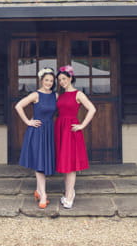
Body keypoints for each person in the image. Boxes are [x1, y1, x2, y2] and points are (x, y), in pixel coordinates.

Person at [55, 65, 97, 209]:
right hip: (60, 128)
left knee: (70, 164)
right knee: (64, 163)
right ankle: (69, 191)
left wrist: (82, 125)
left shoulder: (78, 94)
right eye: (59, 79)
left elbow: (92, 109)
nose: (61, 82)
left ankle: (69, 196)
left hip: (71, 130)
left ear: (70, 78)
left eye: (64, 79)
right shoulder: (59, 95)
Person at [15, 67, 57, 209]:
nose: (49, 83)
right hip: (38, 131)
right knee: (39, 164)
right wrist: (28, 121)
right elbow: (18, 106)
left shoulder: (55, 96)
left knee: (45, 163)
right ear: (41, 80)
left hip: (50, 131)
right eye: (46, 80)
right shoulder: (35, 95)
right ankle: (43, 195)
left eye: (51, 80)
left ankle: (39, 191)